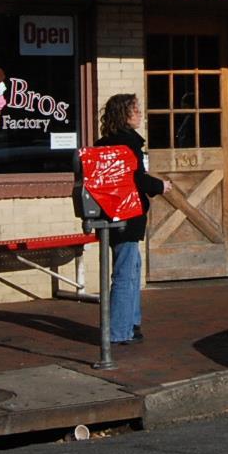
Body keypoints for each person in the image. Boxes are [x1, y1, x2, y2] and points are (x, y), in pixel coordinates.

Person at [95, 93, 163, 345]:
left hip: (111, 214)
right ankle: (119, 330)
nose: (140, 114)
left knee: (132, 269)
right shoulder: (127, 144)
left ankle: (131, 323)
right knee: (125, 274)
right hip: (127, 215)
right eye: (135, 110)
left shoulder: (103, 143)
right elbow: (136, 178)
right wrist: (160, 186)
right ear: (123, 114)